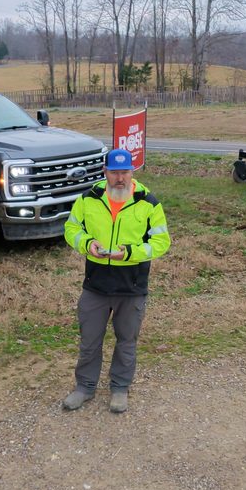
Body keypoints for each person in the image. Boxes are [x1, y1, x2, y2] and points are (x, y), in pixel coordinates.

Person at [61, 147, 171, 413]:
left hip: (131, 287)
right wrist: (87, 244)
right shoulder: (89, 199)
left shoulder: (149, 203)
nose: (120, 178)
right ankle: (85, 387)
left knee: (126, 341)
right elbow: (71, 229)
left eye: (125, 172)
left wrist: (129, 253)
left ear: (132, 172)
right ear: (105, 172)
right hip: (96, 285)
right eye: (114, 172)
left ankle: (120, 388)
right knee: (89, 341)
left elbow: (161, 242)